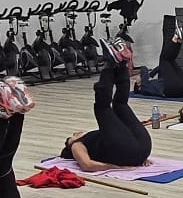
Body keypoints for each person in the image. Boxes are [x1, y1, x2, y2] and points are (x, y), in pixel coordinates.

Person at [63, 40, 153, 172]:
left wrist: (138, 158)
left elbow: (120, 134)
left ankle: (122, 64)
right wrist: (117, 167)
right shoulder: (76, 145)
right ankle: (110, 64)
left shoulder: (97, 138)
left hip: (141, 150)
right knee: (102, 107)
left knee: (120, 104)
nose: (76, 134)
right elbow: (87, 165)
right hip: (128, 153)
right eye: (72, 136)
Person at [139, 30, 183, 99]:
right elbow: (144, 68)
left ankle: (179, 40)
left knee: (170, 60)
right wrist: (140, 76)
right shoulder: (143, 88)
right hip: (174, 89)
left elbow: (161, 67)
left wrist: (152, 74)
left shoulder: (151, 86)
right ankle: (175, 39)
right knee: (163, 59)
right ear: (138, 86)